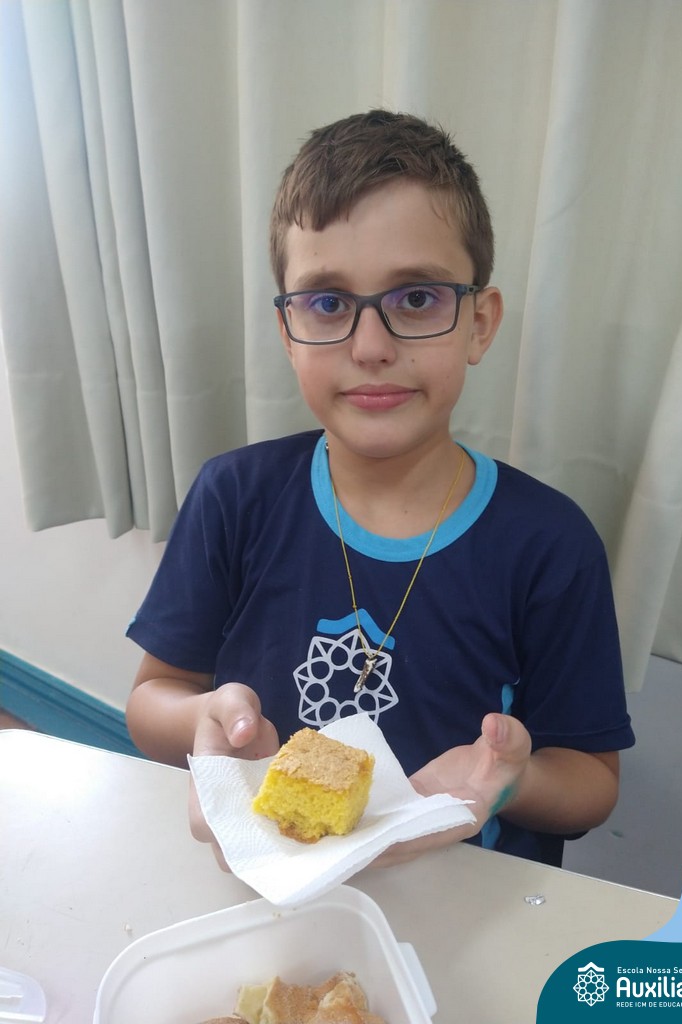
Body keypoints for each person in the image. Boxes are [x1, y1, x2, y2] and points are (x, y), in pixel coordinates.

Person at [126, 109, 634, 869]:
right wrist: (209, 717)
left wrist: (514, 778)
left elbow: (592, 782)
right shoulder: (234, 496)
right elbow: (152, 698)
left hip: (461, 894)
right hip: (274, 879)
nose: (370, 347)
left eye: (417, 299)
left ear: (479, 323)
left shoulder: (549, 544)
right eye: (328, 302)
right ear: (287, 331)